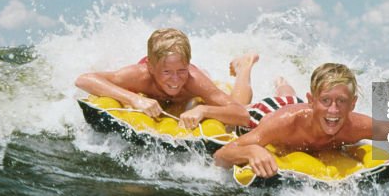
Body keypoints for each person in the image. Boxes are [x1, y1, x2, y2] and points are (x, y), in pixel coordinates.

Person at [213, 62, 389, 178]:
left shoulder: (354, 126)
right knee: (252, 106)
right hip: (269, 111)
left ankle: (283, 83)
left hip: (302, 107)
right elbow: (221, 156)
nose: (334, 110)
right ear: (312, 100)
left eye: (342, 101)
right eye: (326, 100)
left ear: (353, 104)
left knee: (288, 95)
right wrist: (251, 150)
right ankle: (244, 67)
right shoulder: (284, 124)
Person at [75, 28, 256, 129]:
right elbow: (84, 80)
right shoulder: (140, 75)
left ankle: (244, 67)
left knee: (234, 111)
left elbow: (241, 114)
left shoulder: (192, 80)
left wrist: (204, 110)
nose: (175, 79)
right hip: (150, 94)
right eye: (167, 72)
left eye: (181, 70)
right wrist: (135, 99)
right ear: (151, 68)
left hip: (188, 97)